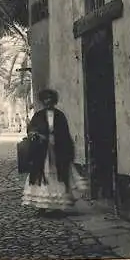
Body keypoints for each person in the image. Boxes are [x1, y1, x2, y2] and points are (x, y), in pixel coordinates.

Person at [22, 88, 84, 216]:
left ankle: (58, 205)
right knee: (42, 176)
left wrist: (62, 145)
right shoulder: (38, 116)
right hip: (42, 152)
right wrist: (37, 135)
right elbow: (31, 130)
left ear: (54, 101)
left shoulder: (60, 116)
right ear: (43, 101)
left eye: (50, 99)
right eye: (46, 99)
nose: (48, 101)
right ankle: (42, 206)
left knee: (57, 176)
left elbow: (65, 134)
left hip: (57, 151)